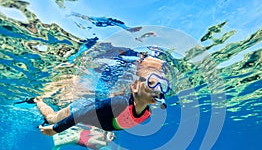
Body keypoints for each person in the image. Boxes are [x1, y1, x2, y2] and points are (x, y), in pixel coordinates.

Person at [31, 56, 170, 136]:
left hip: (99, 120)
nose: (157, 89)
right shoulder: (119, 103)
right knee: (51, 119)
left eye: (161, 85)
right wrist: (56, 129)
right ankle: (38, 100)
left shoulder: (147, 112)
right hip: (82, 107)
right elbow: (82, 113)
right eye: (151, 83)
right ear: (134, 87)